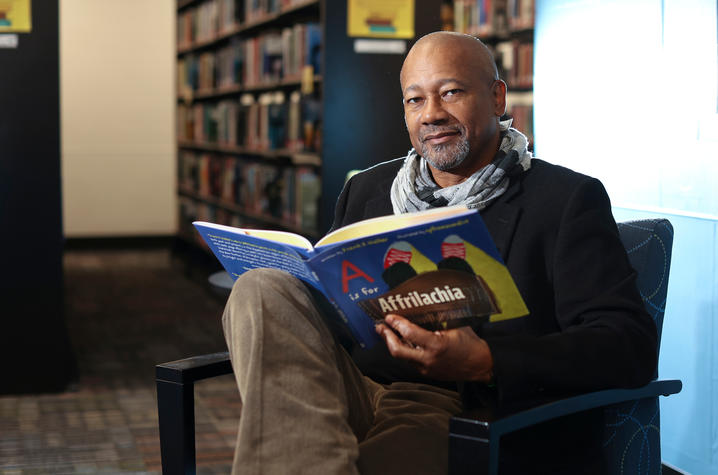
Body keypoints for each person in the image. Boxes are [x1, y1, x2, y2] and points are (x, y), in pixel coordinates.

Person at [221, 31, 657, 474]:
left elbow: (628, 345)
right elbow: (331, 308)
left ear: (497, 97)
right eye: (415, 100)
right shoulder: (367, 189)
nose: (432, 114)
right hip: (354, 387)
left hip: (466, 407)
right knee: (260, 287)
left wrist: (486, 362)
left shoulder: (564, 199)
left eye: (451, 92)